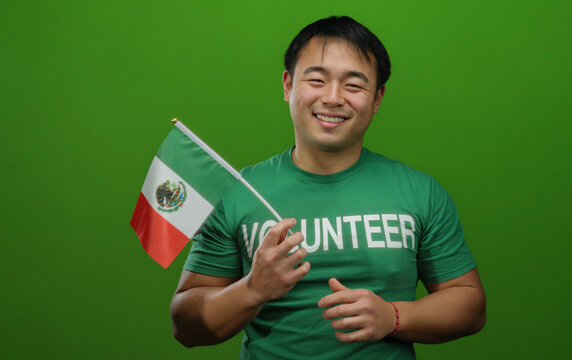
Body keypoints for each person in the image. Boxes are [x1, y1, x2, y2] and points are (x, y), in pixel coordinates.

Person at [170, 16, 486, 359]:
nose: (334, 98)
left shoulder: (419, 191)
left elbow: (470, 305)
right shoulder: (237, 192)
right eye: (317, 80)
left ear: (377, 98)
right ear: (288, 85)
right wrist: (252, 289)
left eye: (353, 85)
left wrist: (394, 317)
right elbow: (185, 326)